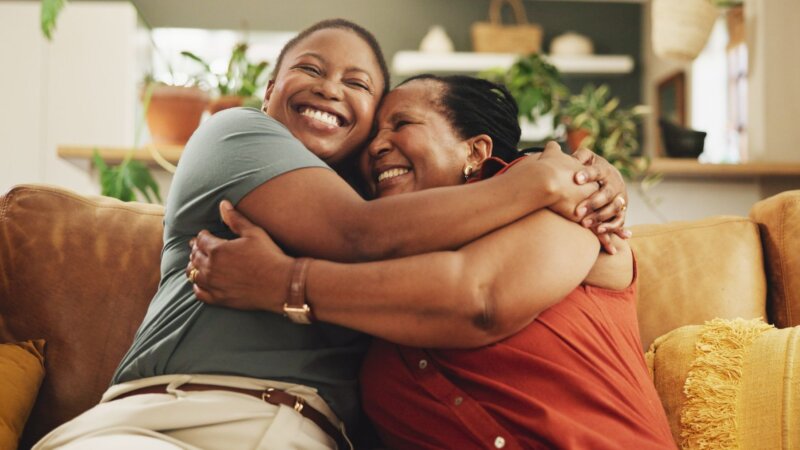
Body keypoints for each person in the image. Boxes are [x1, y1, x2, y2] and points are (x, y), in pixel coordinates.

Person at [33, 19, 627, 450]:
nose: (330, 88)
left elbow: (473, 294)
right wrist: (553, 179)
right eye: (309, 70)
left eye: (359, 86)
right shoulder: (238, 134)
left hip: (304, 436)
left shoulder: (415, 215)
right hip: (169, 416)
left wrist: (580, 178)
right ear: (269, 92)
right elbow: (357, 234)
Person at [188, 75, 674, 449]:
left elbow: (480, 299)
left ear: (475, 151)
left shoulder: (555, 188)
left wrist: (283, 285)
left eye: (402, 124)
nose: (377, 147)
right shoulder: (373, 298)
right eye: (372, 136)